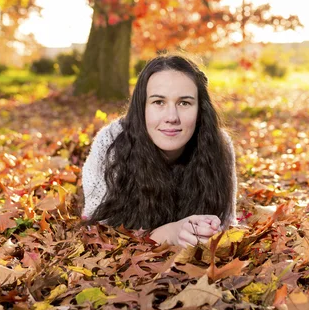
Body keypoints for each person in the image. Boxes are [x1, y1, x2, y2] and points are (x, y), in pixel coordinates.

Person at [81, 54, 237, 247]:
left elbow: (226, 223)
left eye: (184, 103)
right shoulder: (111, 142)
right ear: (142, 108)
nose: (172, 117)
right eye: (158, 102)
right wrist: (169, 233)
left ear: (200, 110)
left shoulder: (218, 145)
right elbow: (97, 232)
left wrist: (207, 230)